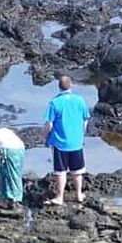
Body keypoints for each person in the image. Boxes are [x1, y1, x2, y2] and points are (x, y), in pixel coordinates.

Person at [44, 75, 90, 205]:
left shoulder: (55, 102)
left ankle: (60, 197)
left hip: (60, 143)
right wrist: (81, 133)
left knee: (60, 172)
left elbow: (49, 124)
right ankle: (79, 194)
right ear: (71, 85)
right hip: (77, 142)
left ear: (59, 87)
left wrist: (46, 137)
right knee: (77, 171)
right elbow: (85, 119)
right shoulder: (80, 100)